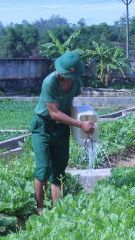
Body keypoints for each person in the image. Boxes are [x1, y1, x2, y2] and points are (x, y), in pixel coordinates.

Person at [30, 51, 95, 214]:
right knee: (43, 169)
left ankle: (57, 210)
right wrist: (80, 124)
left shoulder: (75, 81)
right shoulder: (49, 82)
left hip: (61, 128)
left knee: (59, 171)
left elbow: (70, 104)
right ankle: (40, 209)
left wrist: (84, 119)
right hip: (43, 126)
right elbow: (54, 112)